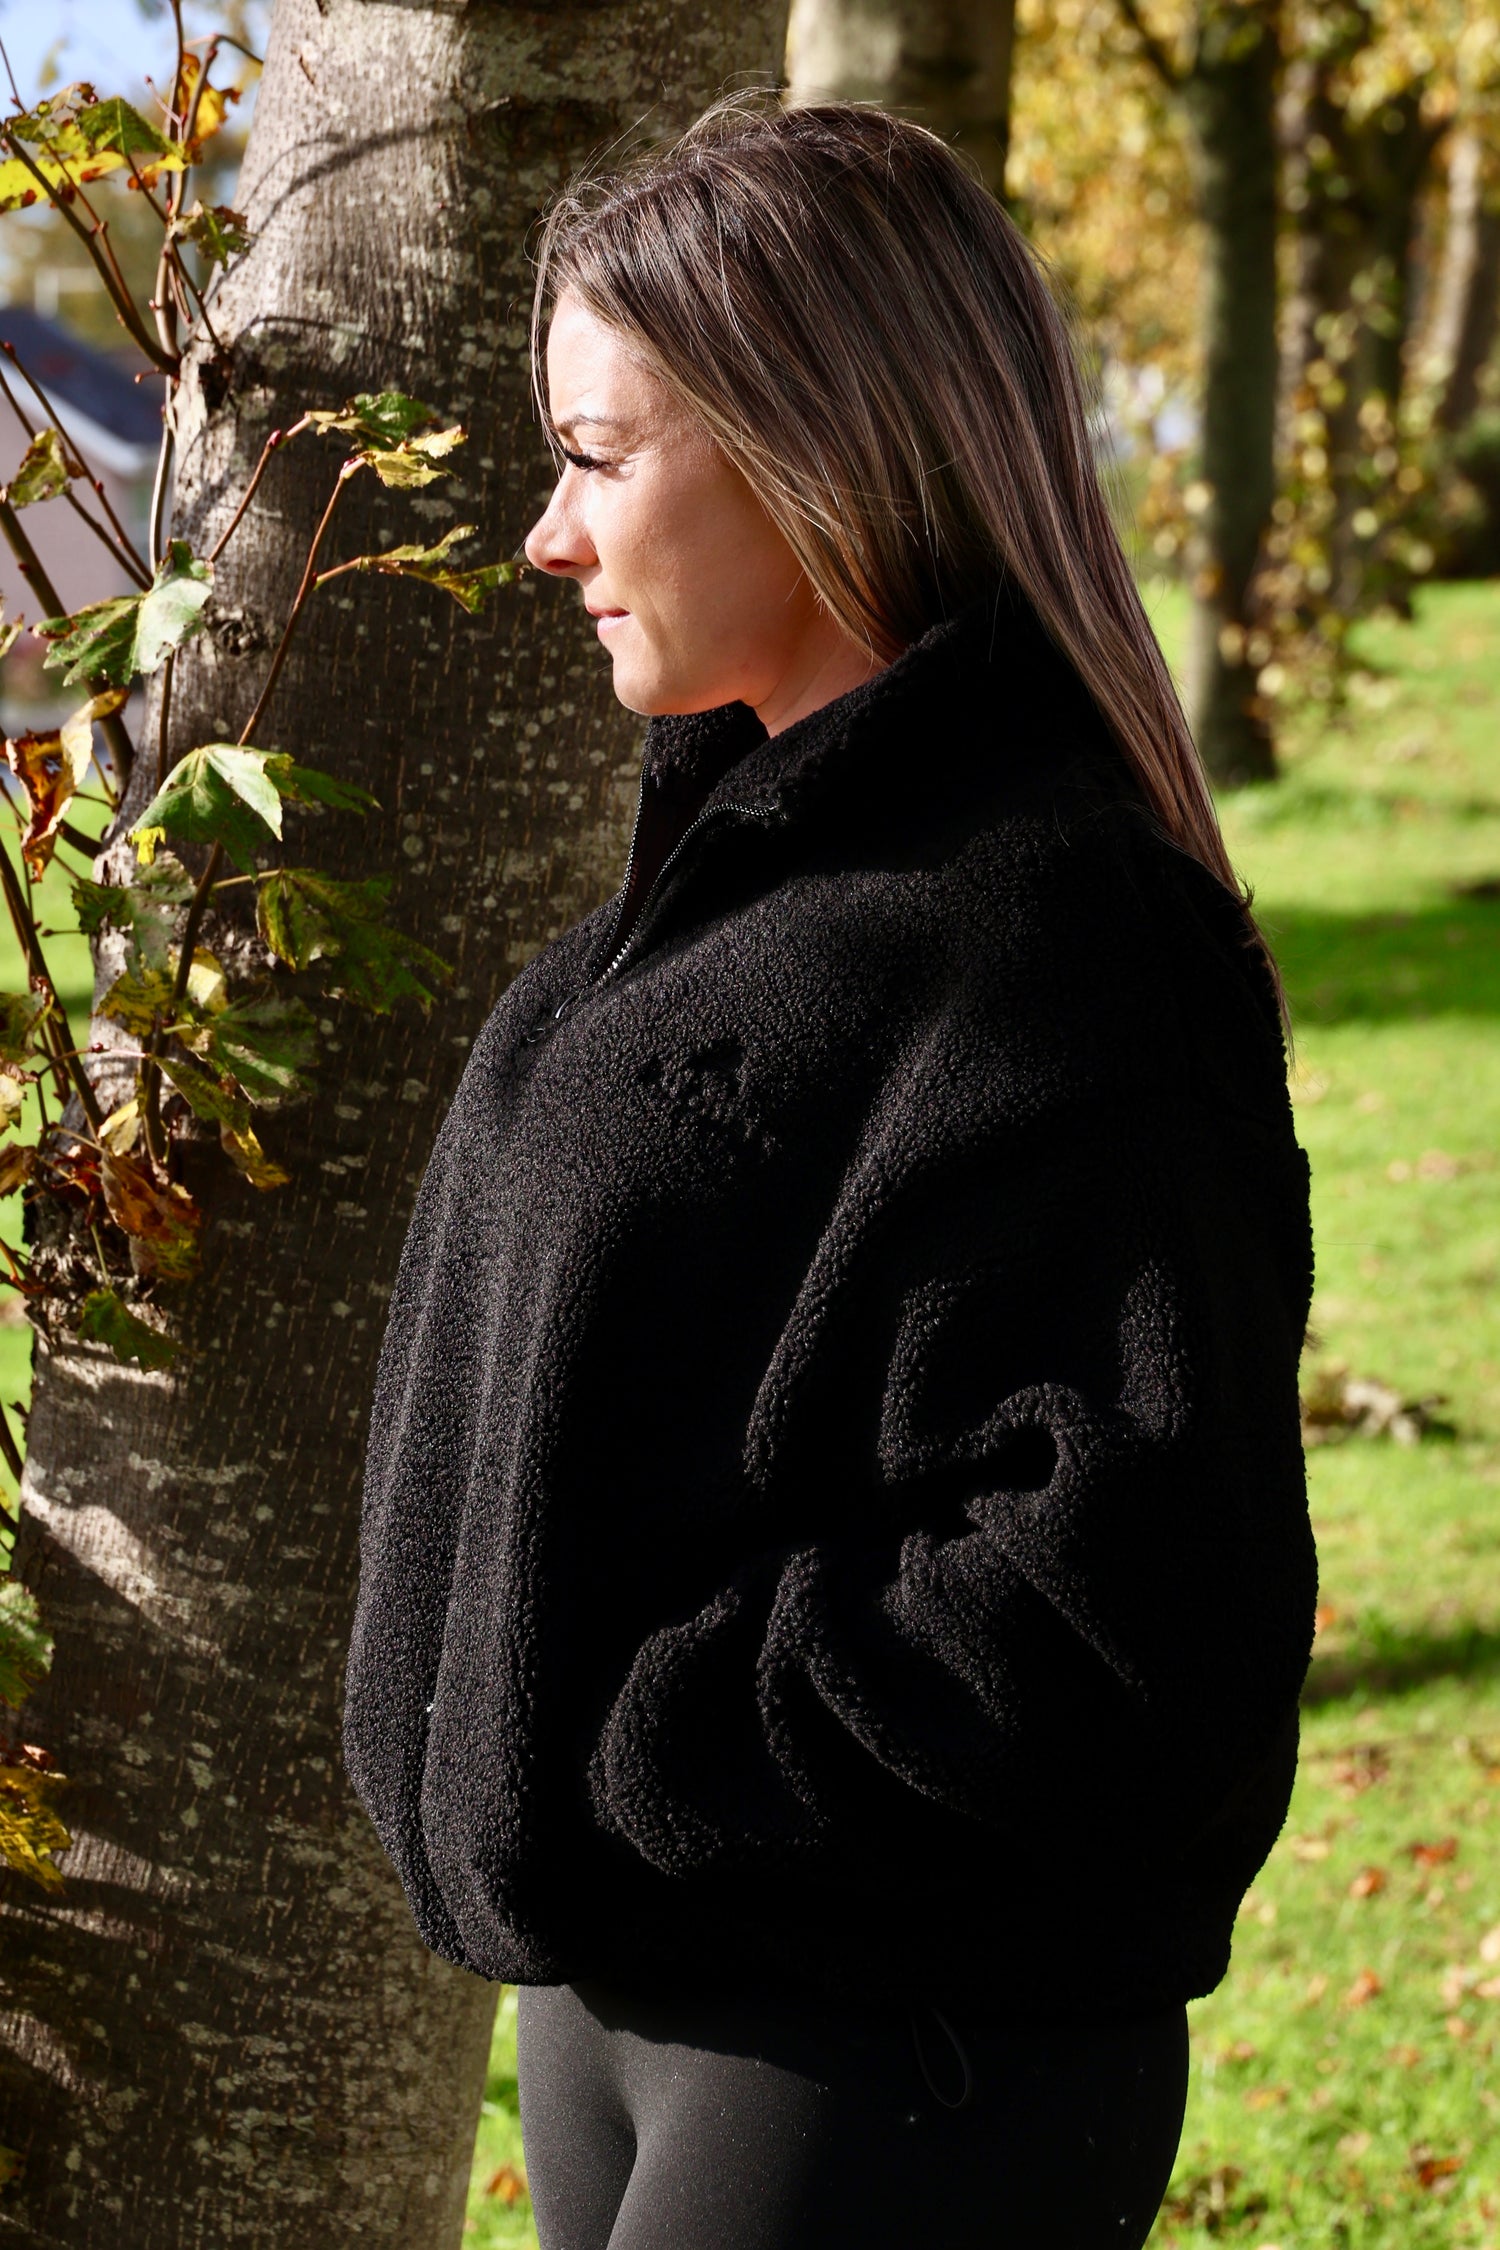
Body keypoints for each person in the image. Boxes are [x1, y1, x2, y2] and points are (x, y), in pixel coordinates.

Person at [344, 94, 1318, 2250]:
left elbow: (1132, 1602)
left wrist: (620, 1745)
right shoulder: (740, 877)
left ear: (816, 451)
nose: (544, 534)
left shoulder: (1057, 938)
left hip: (898, 2044)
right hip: (644, 1999)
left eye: (596, 457)